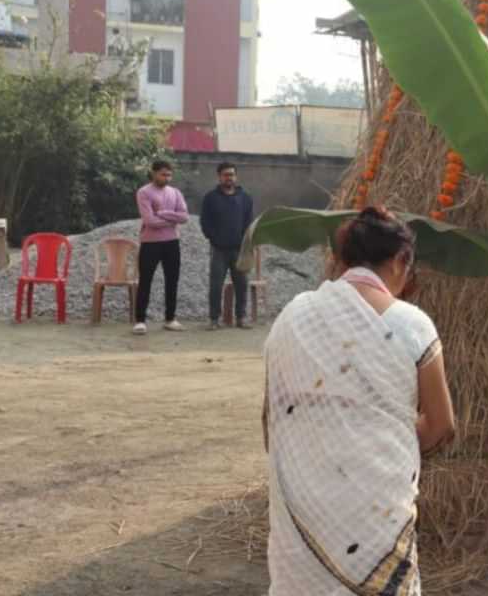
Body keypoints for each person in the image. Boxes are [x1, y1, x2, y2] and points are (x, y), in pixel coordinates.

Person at [264, 208, 455, 595]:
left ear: (340, 260)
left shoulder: (293, 316)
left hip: (303, 497)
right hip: (376, 505)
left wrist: (329, 446)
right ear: (402, 262)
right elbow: (441, 424)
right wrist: (373, 443)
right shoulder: (411, 324)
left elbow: (273, 417)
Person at [133, 160, 189, 335]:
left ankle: (170, 319)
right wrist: (173, 219)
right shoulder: (144, 192)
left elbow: (184, 217)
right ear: (154, 173)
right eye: (163, 174)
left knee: (172, 281)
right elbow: (149, 221)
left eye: (169, 175)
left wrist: (164, 214)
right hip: (150, 243)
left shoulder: (175, 193)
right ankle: (140, 320)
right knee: (145, 281)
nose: (167, 178)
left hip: (172, 242)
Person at [200, 162, 255, 331]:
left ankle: (241, 318)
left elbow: (249, 222)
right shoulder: (210, 198)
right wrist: (213, 238)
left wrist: (245, 243)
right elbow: (205, 222)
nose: (229, 177)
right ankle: (214, 319)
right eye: (225, 175)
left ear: (235, 177)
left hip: (239, 249)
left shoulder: (245, 198)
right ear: (219, 177)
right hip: (218, 250)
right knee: (216, 285)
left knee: (241, 284)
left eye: (231, 174)